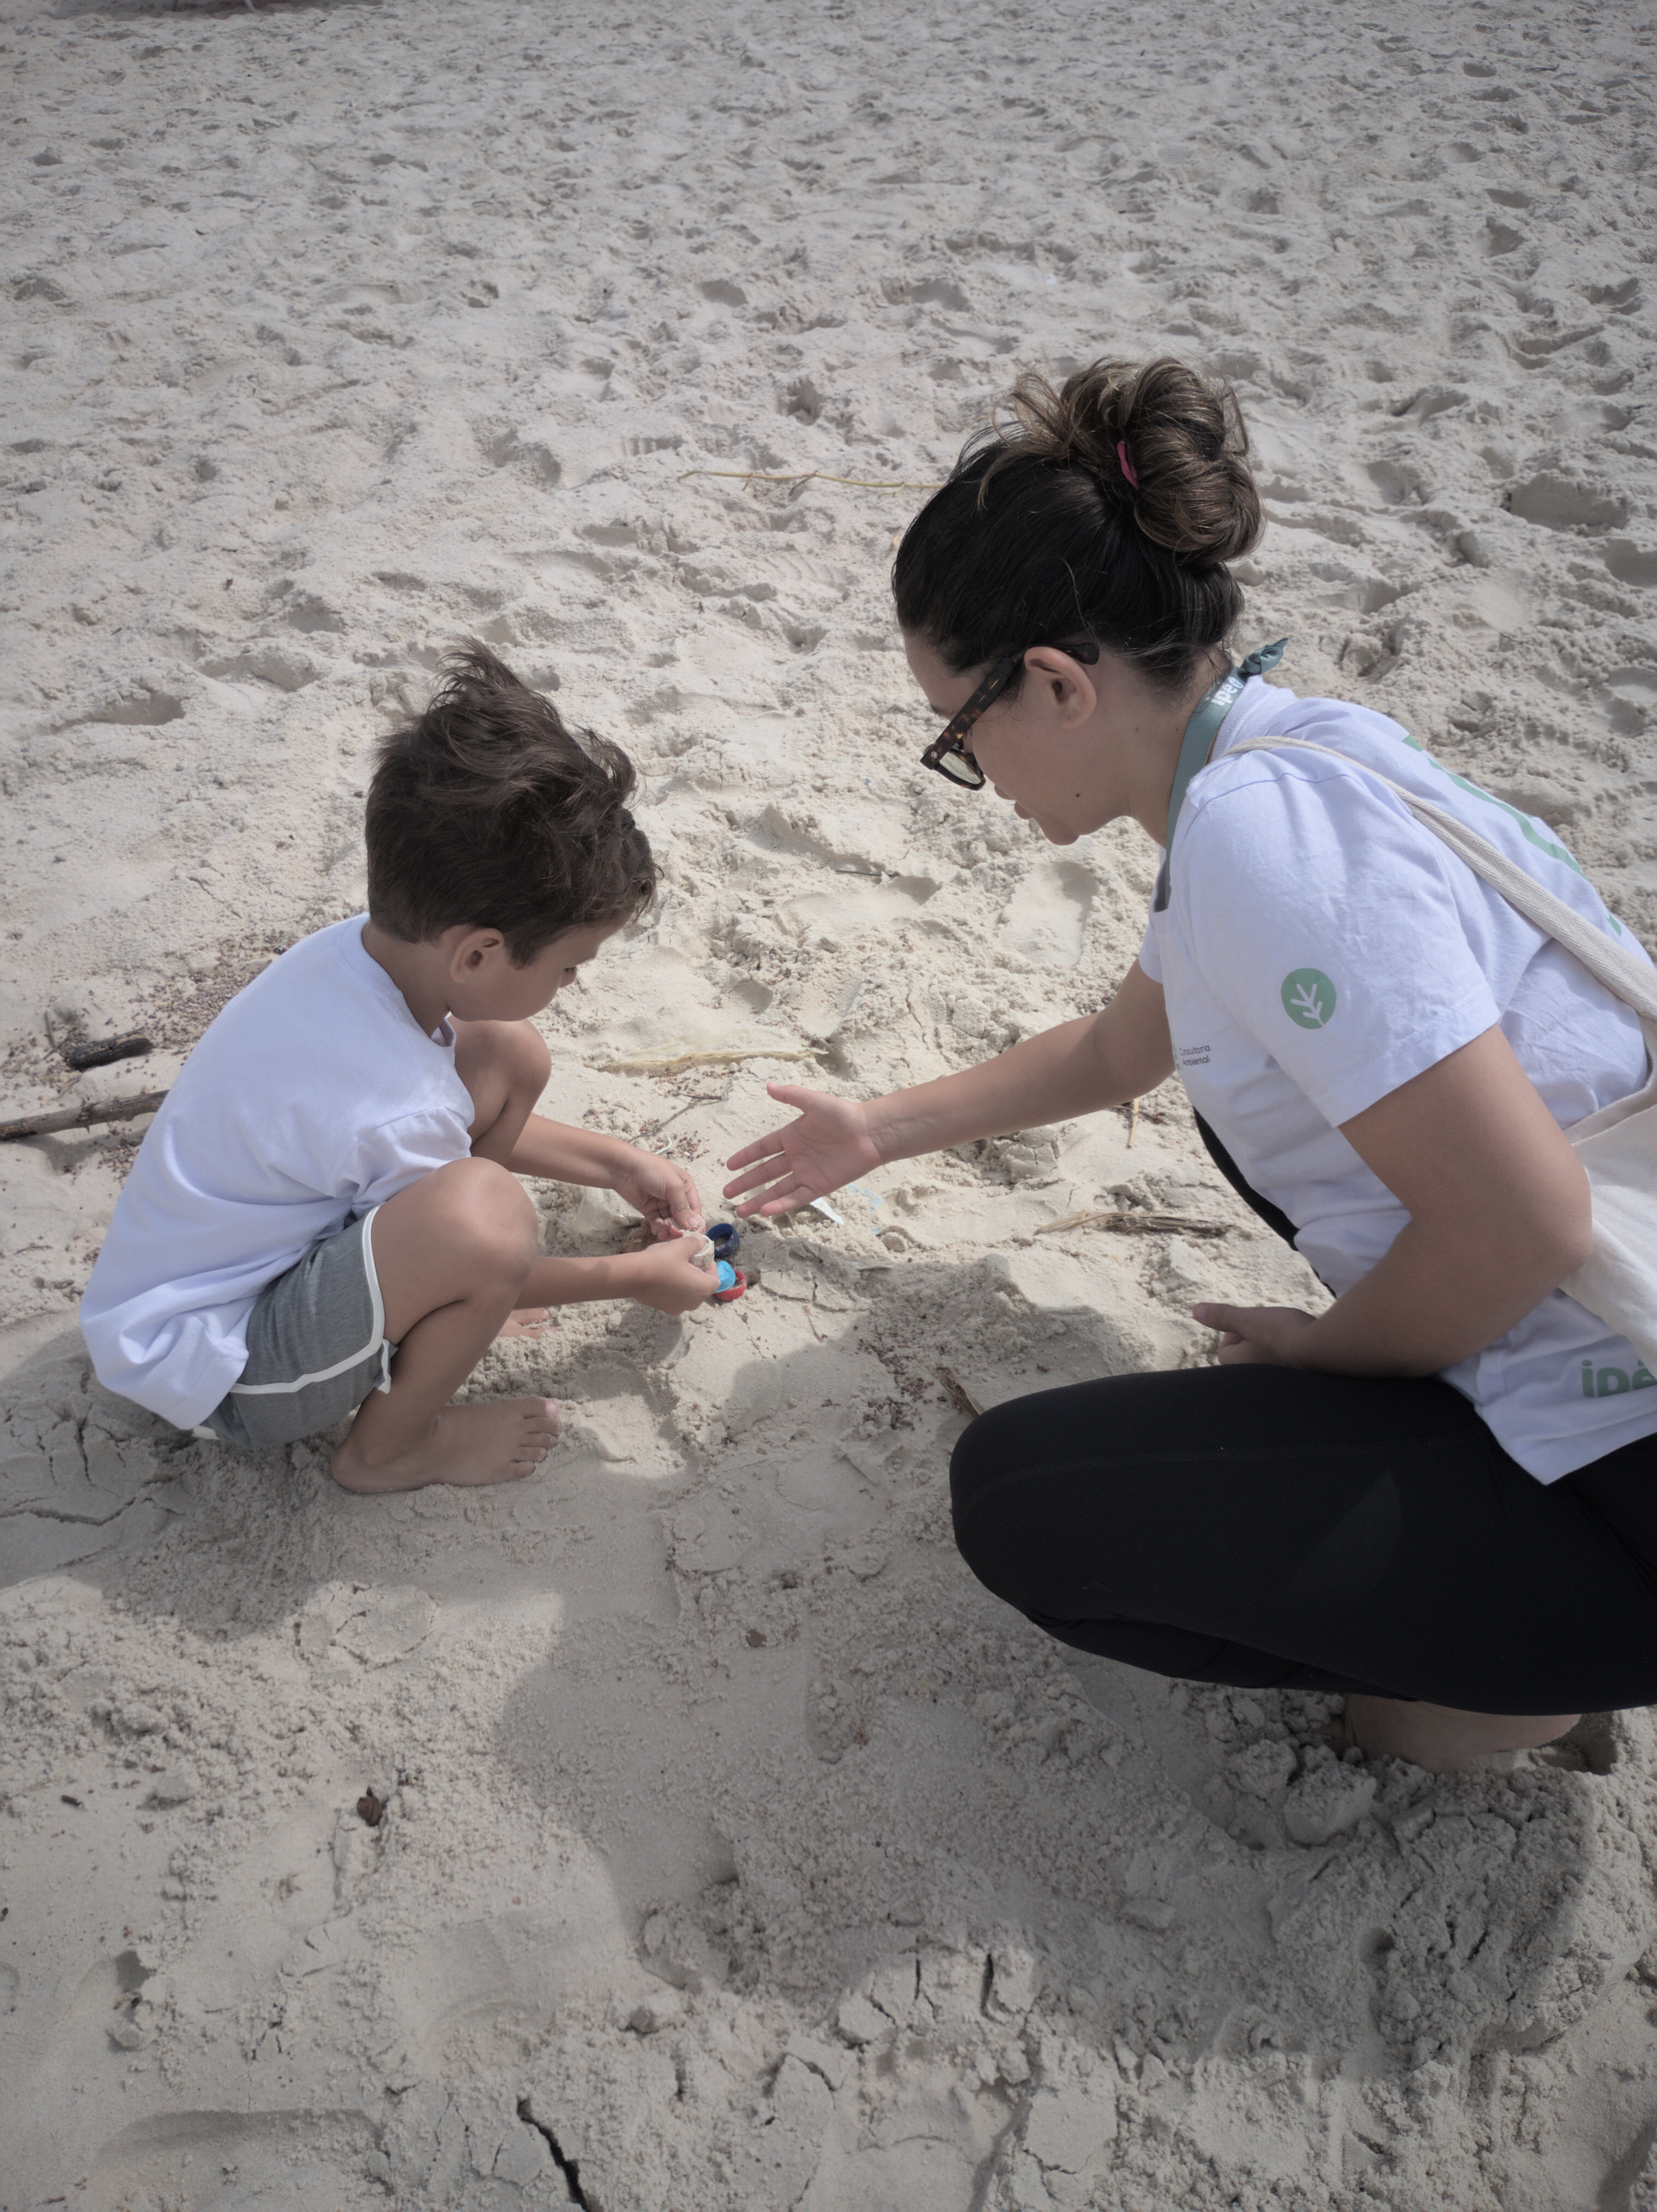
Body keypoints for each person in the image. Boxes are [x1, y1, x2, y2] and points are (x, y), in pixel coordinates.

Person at [723, 357, 1657, 1774]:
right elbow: (1120, 1049)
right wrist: (874, 1128)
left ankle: (1506, 1691)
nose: (974, 777)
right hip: (1599, 1364)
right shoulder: (1294, 756)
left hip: (1617, 1457)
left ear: (1054, 683)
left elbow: (1524, 1222)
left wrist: (1320, 1350)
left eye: (957, 735)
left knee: (1024, 1503)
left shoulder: (1252, 843)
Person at [82, 644, 715, 1495]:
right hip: (225, 1374)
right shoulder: (395, 1106)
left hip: (191, 1293)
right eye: (570, 967)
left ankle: (457, 1296)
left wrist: (617, 1164)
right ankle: (388, 1451)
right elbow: (453, 1186)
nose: (571, 983)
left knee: (506, 1055)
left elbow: (426, 1132)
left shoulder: (350, 955)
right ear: (479, 954)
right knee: (490, 1222)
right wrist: (636, 1279)